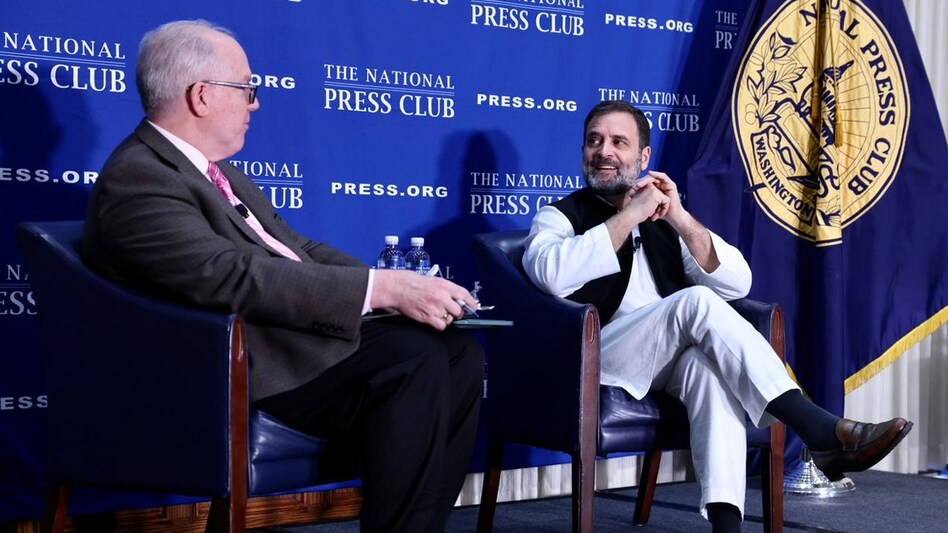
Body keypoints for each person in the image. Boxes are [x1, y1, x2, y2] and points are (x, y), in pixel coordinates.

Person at [81, 19, 482, 533]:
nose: (255, 103)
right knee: (413, 357)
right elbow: (225, 275)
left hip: (280, 350)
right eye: (247, 88)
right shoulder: (140, 176)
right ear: (202, 96)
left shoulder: (215, 173)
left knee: (458, 351)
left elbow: (298, 250)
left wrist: (403, 290)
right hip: (226, 369)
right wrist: (381, 290)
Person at [521, 100, 912, 533]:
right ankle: (818, 427)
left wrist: (681, 218)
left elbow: (737, 282)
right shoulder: (558, 216)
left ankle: (727, 527)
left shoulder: (665, 220)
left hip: (665, 357)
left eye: (618, 142)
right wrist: (630, 214)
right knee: (698, 304)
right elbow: (553, 276)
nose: (604, 151)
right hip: (601, 356)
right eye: (594, 141)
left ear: (644, 158)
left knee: (709, 372)